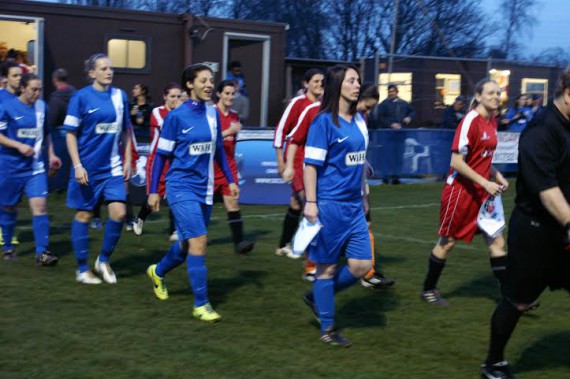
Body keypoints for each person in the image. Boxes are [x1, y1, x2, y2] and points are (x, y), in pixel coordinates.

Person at [480, 68, 570, 379]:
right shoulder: (541, 130)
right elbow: (546, 191)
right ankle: (493, 363)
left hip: (565, 233)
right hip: (536, 234)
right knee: (518, 301)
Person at [145, 64, 238, 323]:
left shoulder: (212, 114)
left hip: (205, 189)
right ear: (190, 85)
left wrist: (230, 180)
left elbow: (218, 149)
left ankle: (157, 271)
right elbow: (161, 156)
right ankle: (201, 304)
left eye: (211, 80)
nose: (209, 84)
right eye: (204, 80)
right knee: (200, 242)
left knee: (187, 244)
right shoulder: (176, 117)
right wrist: (154, 191)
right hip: (180, 187)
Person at [419, 78, 509, 307]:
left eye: (498, 93)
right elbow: (456, 162)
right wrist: (485, 182)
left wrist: (496, 176)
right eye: (490, 93)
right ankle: (428, 289)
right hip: (461, 192)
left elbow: (483, 158)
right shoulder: (470, 120)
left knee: (497, 242)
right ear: (478, 96)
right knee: (447, 243)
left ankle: (511, 296)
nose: (495, 97)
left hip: (482, 194)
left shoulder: (493, 121)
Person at [302, 65, 372, 347]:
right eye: (351, 81)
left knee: (361, 266)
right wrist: (311, 202)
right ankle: (328, 328)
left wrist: (365, 193)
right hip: (329, 205)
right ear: (338, 86)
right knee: (326, 269)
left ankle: (319, 295)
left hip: (354, 206)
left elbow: (357, 157)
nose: (357, 85)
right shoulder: (323, 122)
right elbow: (311, 165)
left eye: (358, 80)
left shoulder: (360, 121)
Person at [64, 53, 132, 285]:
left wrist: (129, 160)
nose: (109, 72)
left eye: (111, 68)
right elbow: (70, 134)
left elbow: (126, 131)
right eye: (103, 69)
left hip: (112, 168)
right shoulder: (80, 98)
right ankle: (82, 270)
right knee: (83, 214)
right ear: (92, 73)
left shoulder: (120, 96)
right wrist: (77, 165)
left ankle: (103, 260)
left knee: (120, 214)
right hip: (87, 169)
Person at [0, 73, 61, 264]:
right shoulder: (7, 108)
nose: (37, 93)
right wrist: (18, 146)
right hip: (10, 168)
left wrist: (52, 155)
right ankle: (8, 247)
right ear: (22, 88)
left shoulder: (42, 108)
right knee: (9, 207)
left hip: (35, 167)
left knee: (40, 207)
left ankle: (42, 253)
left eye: (40, 89)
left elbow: (47, 135)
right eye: (34, 89)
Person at [274, 68, 324, 282]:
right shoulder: (298, 103)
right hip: (296, 161)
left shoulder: (325, 106)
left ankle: (283, 245)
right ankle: (309, 259)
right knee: (309, 205)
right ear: (306, 83)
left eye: (322, 81)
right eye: (315, 81)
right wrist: (282, 162)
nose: (320, 84)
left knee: (296, 204)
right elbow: (282, 130)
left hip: (313, 161)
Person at [132, 83, 182, 240]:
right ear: (165, 97)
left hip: (175, 161)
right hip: (157, 160)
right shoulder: (157, 112)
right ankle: (140, 217)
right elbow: (165, 127)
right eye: (172, 96)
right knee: (154, 200)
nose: (176, 100)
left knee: (175, 194)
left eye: (178, 96)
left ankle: (174, 231)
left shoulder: (181, 113)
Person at [213, 79, 254, 254]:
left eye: (233, 93)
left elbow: (231, 143)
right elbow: (208, 140)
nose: (230, 97)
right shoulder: (210, 114)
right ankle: (185, 238)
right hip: (209, 168)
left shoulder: (235, 115)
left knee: (233, 204)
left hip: (228, 168)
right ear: (219, 94)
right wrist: (229, 132)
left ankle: (240, 243)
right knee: (201, 208)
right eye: (227, 93)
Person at [369, 84, 415, 185]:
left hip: (400, 135)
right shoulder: (384, 104)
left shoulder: (403, 103)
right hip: (388, 135)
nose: (391, 93)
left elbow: (412, 112)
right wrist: (391, 124)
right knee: (387, 156)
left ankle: (396, 177)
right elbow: (380, 118)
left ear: (397, 92)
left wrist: (409, 118)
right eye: (390, 91)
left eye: (393, 91)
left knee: (398, 156)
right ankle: (385, 176)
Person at [0, 61, 23, 247]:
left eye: (20, 75)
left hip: (17, 157)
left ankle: (7, 231)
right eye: (15, 75)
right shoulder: (1, 98)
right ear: (5, 78)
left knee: (12, 199)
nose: (19, 78)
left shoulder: (23, 99)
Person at [47, 68, 76, 190]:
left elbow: (51, 120)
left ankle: (56, 187)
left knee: (57, 161)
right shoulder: (76, 94)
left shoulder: (55, 98)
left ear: (55, 80)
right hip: (74, 132)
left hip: (59, 132)